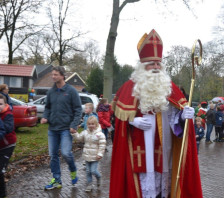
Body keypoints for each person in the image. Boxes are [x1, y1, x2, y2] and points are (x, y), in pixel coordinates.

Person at [109, 29, 202, 198]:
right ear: (142, 66)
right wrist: (132, 121)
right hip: (139, 143)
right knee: (141, 187)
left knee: (161, 188)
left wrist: (184, 116)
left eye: (158, 63)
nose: (156, 67)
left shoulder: (169, 87)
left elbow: (175, 117)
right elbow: (119, 119)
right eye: (151, 63)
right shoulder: (129, 88)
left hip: (163, 145)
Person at [41, 66, 82, 190]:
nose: (53, 77)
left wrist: (74, 125)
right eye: (52, 75)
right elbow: (47, 107)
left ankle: (73, 169)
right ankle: (57, 180)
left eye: (55, 75)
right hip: (53, 128)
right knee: (53, 155)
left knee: (65, 153)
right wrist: (45, 117)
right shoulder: (51, 92)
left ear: (62, 76)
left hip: (66, 128)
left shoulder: (71, 91)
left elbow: (78, 109)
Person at [71, 116, 106, 192]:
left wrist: (100, 154)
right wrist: (74, 133)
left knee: (93, 171)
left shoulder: (100, 134)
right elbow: (79, 138)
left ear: (96, 124)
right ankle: (89, 184)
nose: (91, 125)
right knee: (88, 171)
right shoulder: (85, 132)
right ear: (87, 124)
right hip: (87, 156)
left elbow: (102, 145)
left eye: (92, 124)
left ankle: (99, 177)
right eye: (89, 124)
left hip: (95, 156)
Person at [0, 94, 16, 198]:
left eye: (0, 104)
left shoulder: (8, 114)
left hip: (7, 146)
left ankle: (2, 194)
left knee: (0, 170)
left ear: (5, 104)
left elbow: (8, 128)